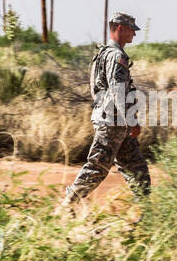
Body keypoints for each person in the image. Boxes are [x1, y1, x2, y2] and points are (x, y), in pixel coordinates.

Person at [58, 12, 151, 208]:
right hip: (113, 122)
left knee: (137, 168)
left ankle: (146, 212)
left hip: (114, 121)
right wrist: (131, 121)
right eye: (132, 30)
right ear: (120, 28)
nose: (134, 34)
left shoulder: (102, 54)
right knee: (98, 167)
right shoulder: (116, 56)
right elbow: (118, 91)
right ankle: (68, 204)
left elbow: (95, 89)